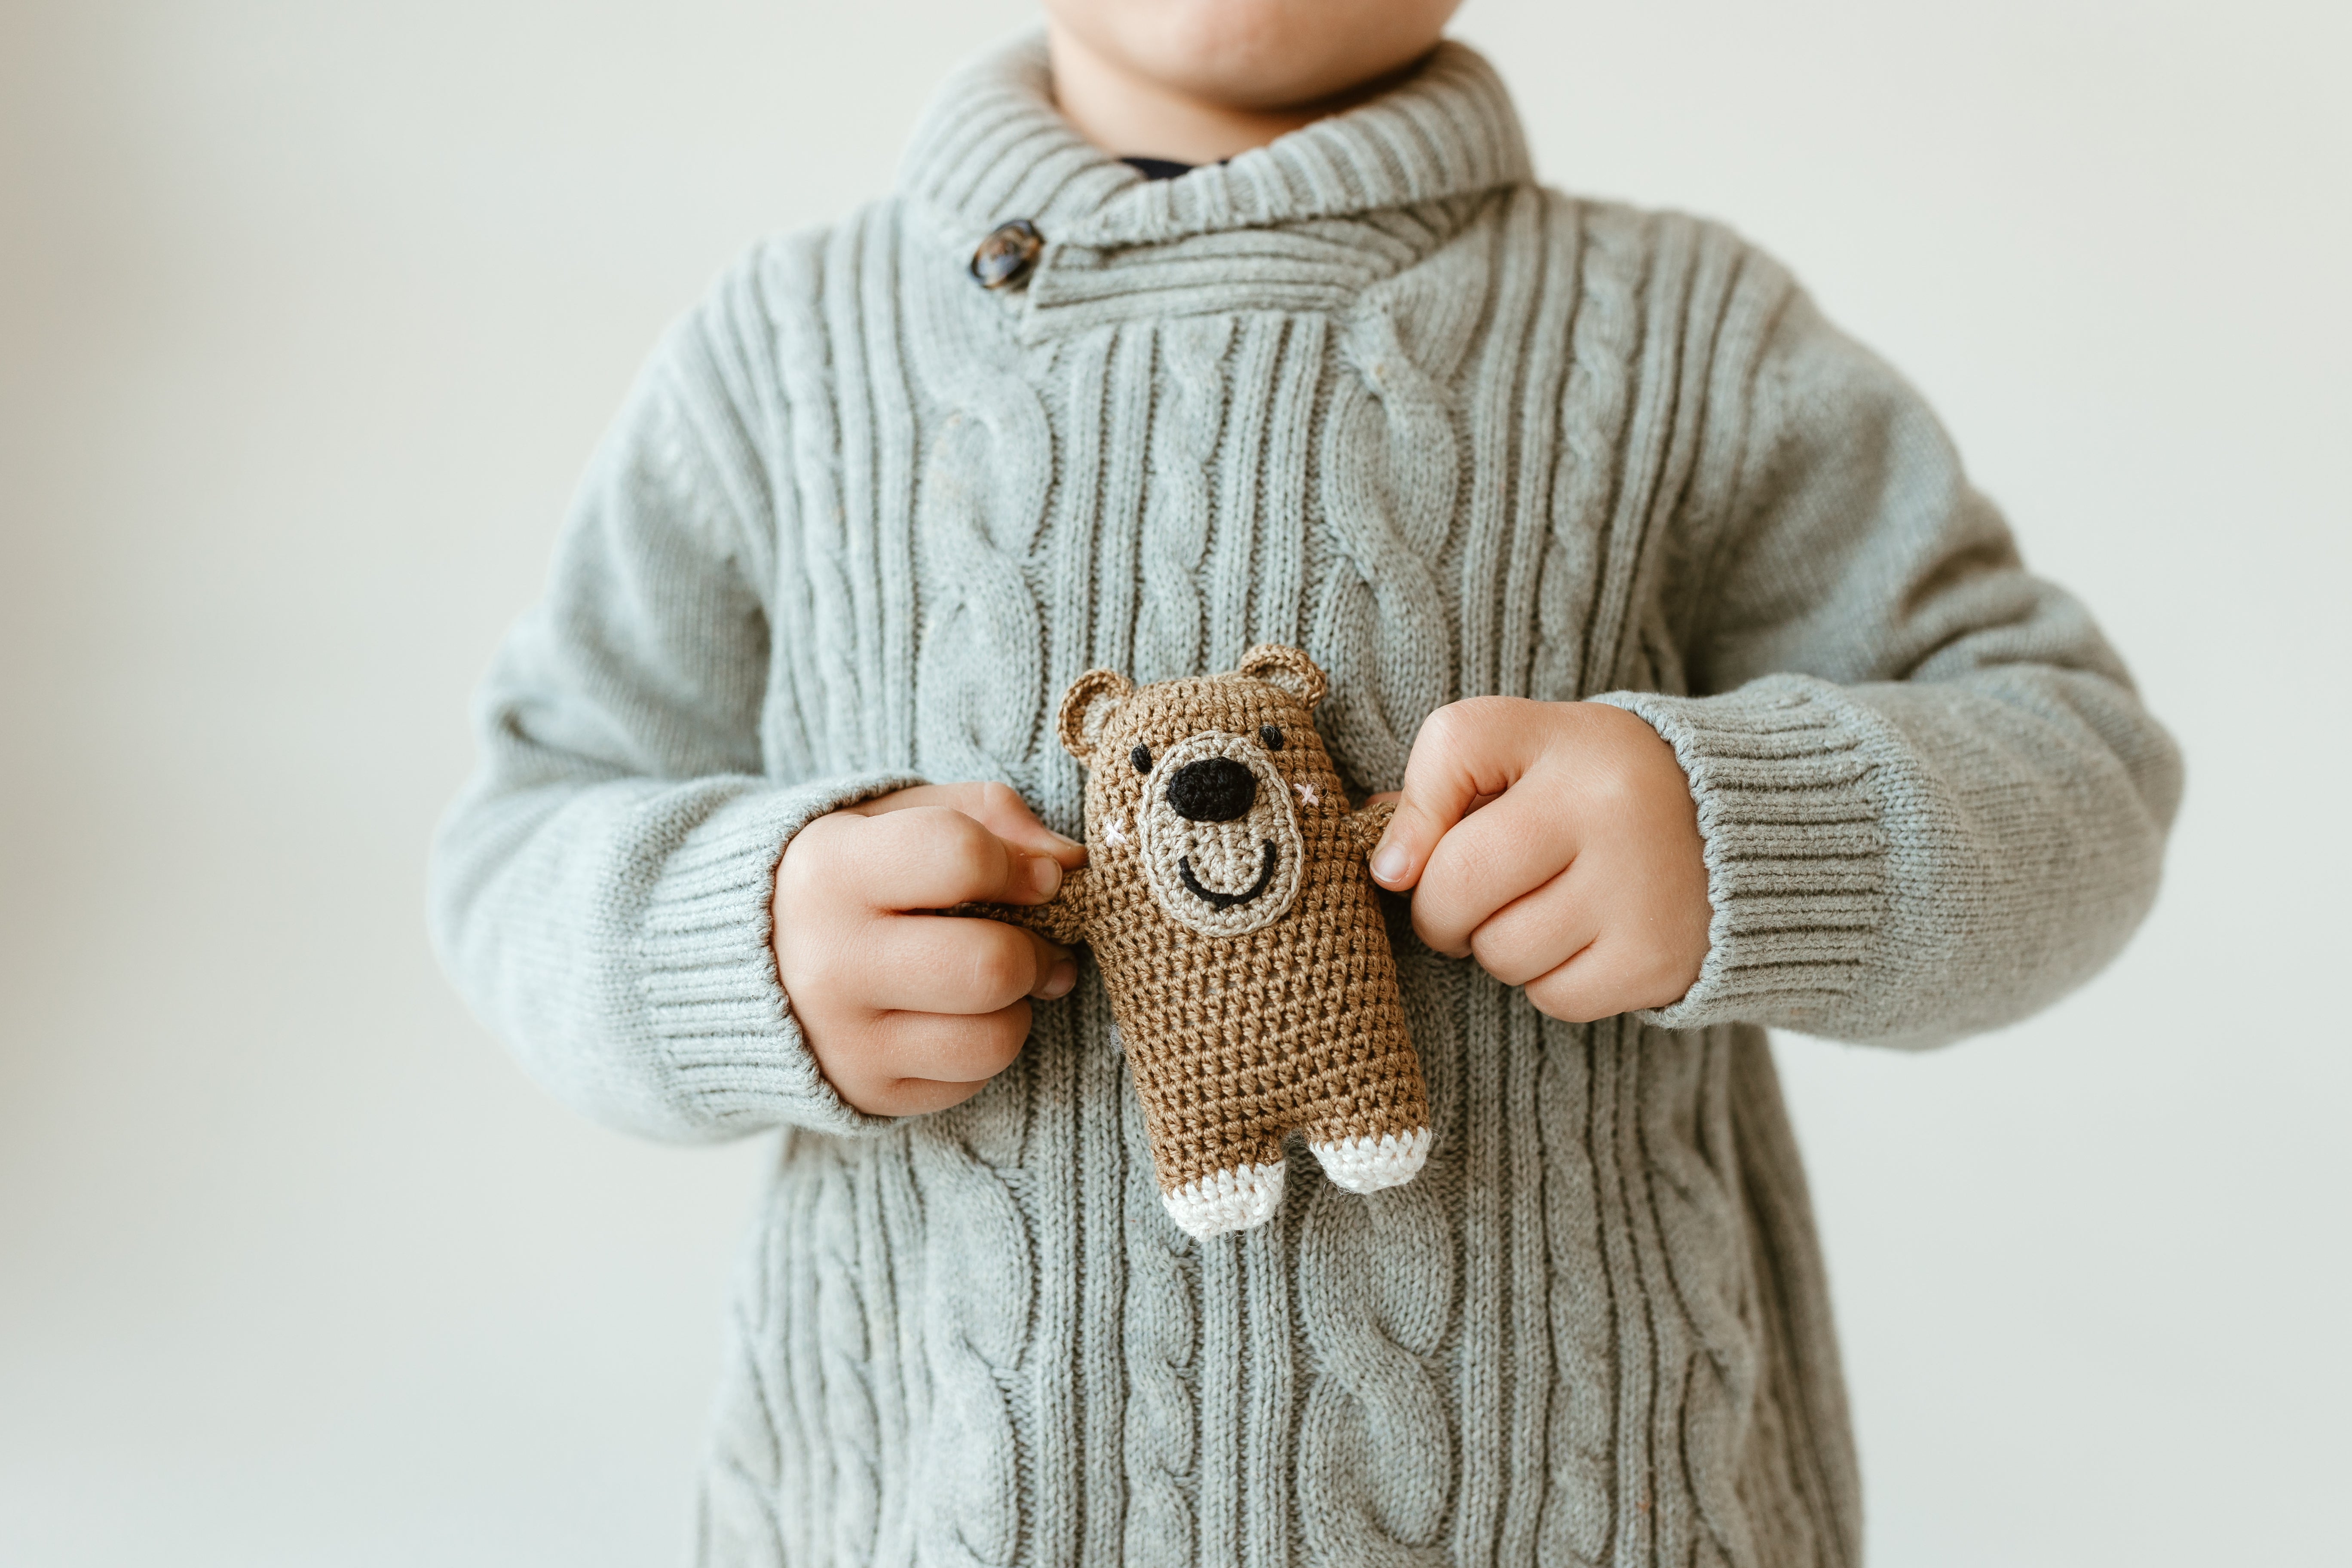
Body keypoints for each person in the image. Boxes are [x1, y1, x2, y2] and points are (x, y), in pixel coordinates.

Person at [428, 1, 2181, 1562]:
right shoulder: (780, 361)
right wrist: (733, 939)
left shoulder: (1684, 336)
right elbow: (524, 827)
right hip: (925, 1512)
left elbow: (2076, 767)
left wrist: (1737, 828)